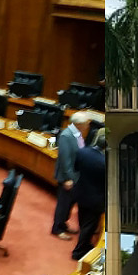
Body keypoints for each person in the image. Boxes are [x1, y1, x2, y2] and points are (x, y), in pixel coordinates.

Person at [51, 112, 90, 241]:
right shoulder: (66, 136)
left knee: (69, 203)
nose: (88, 126)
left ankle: (63, 224)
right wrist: (68, 179)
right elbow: (65, 160)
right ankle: (57, 228)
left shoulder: (77, 134)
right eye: (86, 123)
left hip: (75, 176)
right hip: (67, 178)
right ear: (78, 124)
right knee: (63, 204)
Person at [72, 129, 106, 261]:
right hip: (96, 200)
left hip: (81, 193)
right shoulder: (104, 163)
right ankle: (78, 252)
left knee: (83, 221)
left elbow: (76, 169)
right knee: (89, 226)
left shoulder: (82, 152)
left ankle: (85, 244)